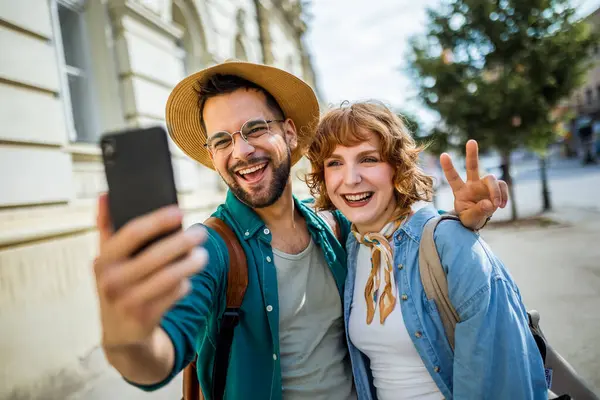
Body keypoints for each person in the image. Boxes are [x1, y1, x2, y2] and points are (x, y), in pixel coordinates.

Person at [93, 61, 507, 400]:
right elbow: (157, 359)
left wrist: (458, 221)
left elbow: (394, 215)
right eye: (222, 141)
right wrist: (128, 339)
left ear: (289, 133)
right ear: (213, 155)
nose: (242, 151)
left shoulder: (336, 226)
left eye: (255, 129)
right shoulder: (211, 249)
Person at [305, 101, 547, 400]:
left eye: (368, 159)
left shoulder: (449, 242)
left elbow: (503, 382)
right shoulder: (355, 245)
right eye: (334, 162)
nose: (350, 178)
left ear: (397, 166)